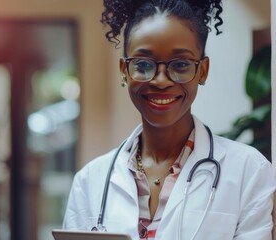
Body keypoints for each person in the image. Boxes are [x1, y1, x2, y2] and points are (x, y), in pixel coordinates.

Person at [63, 0, 276, 239]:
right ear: (124, 71)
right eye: (143, 64)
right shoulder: (90, 181)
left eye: (181, 64)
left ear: (202, 71)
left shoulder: (249, 171)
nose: (161, 81)